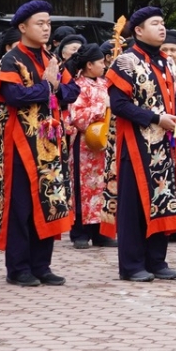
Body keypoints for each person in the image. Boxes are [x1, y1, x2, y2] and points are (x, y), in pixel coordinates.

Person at [0, 0, 78, 287]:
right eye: (39, 23)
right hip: (19, 143)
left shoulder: (50, 57)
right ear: (22, 27)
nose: (45, 28)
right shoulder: (11, 59)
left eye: (48, 23)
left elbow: (72, 90)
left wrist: (51, 87)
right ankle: (18, 268)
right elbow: (15, 96)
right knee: (22, 206)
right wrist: (49, 87)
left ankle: (42, 265)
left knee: (50, 201)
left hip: (50, 145)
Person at [105, 7, 176, 282]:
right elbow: (119, 105)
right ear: (138, 30)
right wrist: (155, 118)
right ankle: (131, 265)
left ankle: (157, 260)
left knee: (162, 199)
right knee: (134, 204)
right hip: (135, 143)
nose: (162, 28)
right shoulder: (125, 62)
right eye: (155, 24)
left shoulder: (168, 62)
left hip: (163, 144)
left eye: (163, 23)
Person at [65, 44, 113, 249]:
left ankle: (101, 232)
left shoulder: (106, 84)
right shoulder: (77, 85)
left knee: (104, 186)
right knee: (83, 187)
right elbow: (77, 117)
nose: (104, 65)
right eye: (101, 62)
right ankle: (80, 232)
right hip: (85, 143)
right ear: (89, 64)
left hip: (106, 142)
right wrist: (103, 107)